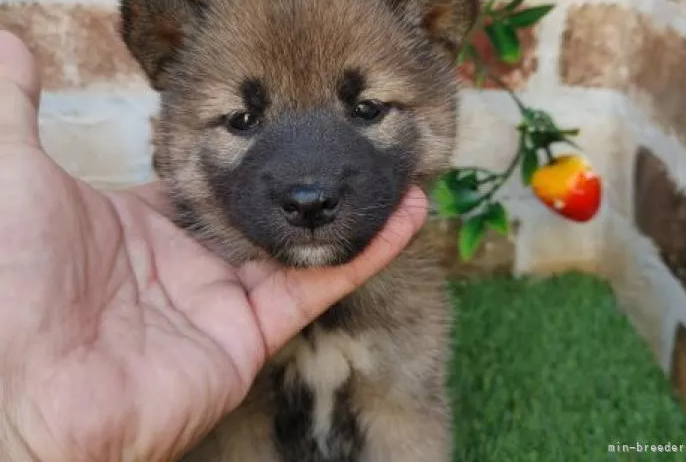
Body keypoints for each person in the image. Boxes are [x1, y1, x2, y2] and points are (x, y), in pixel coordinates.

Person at [0, 30, 428, 461]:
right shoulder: (200, 306)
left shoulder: (410, 297)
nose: (309, 191)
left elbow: (409, 420)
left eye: (366, 109)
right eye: (242, 120)